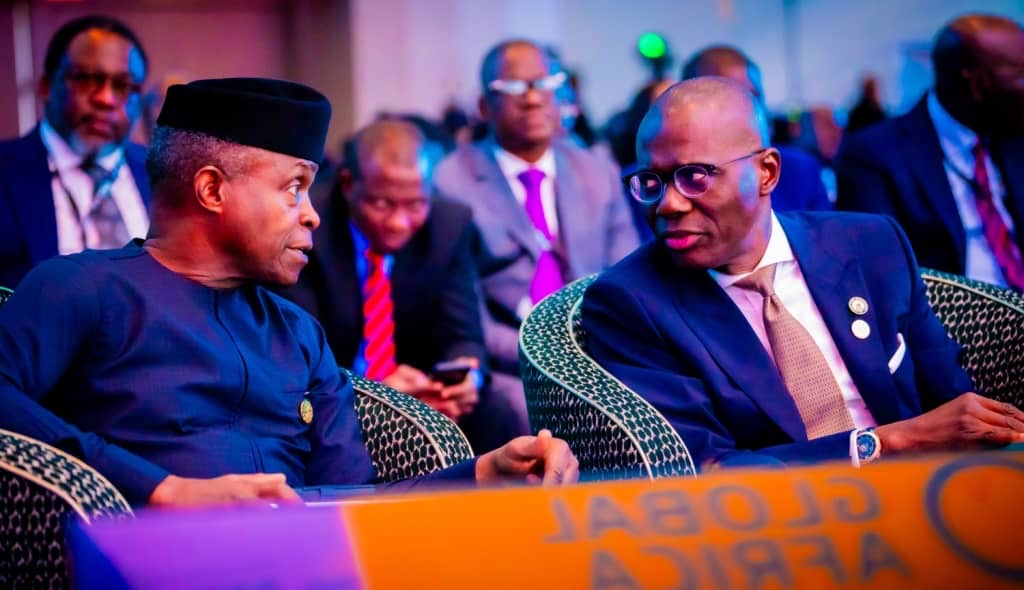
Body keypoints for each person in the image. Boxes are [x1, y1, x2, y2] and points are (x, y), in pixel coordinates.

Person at [0, 78, 578, 509]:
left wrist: (482, 474)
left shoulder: (297, 332)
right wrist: (161, 490)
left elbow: (354, 497)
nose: (312, 216)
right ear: (211, 190)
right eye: (294, 189)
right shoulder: (81, 288)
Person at [582, 77, 1024, 470]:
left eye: (694, 177)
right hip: (780, 528)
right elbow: (704, 468)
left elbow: (952, 398)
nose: (668, 205)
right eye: (651, 182)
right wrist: (884, 443)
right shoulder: (630, 302)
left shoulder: (869, 244)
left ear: (766, 172)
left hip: (926, 493)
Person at [290, 119, 520, 453]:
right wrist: (377, 393)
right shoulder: (309, 229)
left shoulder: (448, 225)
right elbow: (302, 359)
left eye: (415, 204)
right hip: (335, 400)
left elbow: (462, 334)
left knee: (500, 407)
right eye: (382, 204)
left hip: (423, 395)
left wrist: (466, 377)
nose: (399, 223)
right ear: (348, 184)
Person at [435, 39, 639, 414]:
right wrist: (546, 356)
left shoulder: (596, 171)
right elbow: (466, 314)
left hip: (597, 343)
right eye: (513, 88)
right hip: (510, 359)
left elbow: (628, 278)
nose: (532, 99)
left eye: (545, 84)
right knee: (518, 409)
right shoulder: (451, 182)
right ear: (483, 106)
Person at [836, 14, 1024, 289]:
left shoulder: (1013, 138)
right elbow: (881, 277)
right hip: (958, 318)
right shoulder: (872, 156)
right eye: (1021, 75)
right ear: (978, 84)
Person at [0, 15, 151, 289]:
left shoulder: (164, 174)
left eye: (123, 86)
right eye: (86, 79)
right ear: (46, 86)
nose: (105, 99)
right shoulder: (5, 170)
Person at [681, 45, 832, 212]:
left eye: (753, 97)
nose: (747, 110)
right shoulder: (669, 183)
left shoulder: (800, 171)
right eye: (727, 100)